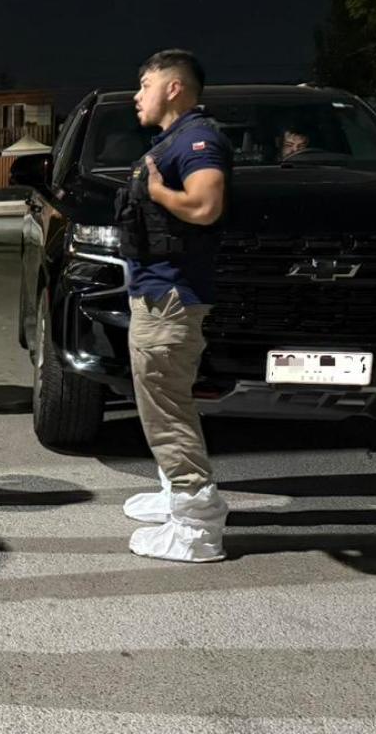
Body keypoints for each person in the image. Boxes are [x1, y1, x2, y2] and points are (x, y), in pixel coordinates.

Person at [116, 49, 233, 563]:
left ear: (174, 87)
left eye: (145, 84)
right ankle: (175, 494)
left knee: (166, 408)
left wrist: (159, 192)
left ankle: (197, 527)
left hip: (171, 298)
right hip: (159, 294)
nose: (137, 95)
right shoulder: (174, 140)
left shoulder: (196, 140)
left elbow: (206, 205)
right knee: (162, 402)